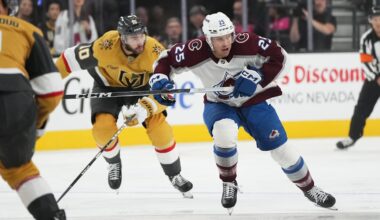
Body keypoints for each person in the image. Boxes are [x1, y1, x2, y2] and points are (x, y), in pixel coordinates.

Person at [149, 12, 336, 213]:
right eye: (219, 38)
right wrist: (159, 80)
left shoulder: (247, 42)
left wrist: (259, 75)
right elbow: (166, 60)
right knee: (224, 133)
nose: (226, 42)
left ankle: (310, 189)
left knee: (283, 151)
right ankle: (229, 183)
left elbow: (282, 58)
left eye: (229, 35)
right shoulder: (195, 50)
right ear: (208, 39)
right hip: (219, 104)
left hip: (254, 101)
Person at [55, 15, 193, 197]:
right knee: (102, 129)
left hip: (143, 89)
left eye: (141, 35)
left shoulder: (154, 51)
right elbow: (68, 58)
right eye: (134, 38)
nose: (140, 41)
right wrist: (48, 85)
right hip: (107, 86)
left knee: (160, 130)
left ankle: (175, 175)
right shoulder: (105, 46)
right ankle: (113, 162)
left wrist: (145, 108)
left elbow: (166, 94)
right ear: (122, 38)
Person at [0, 0, 66, 219]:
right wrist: (34, 124)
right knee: (18, 169)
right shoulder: (27, 30)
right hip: (14, 101)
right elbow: (52, 92)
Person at [336, 6, 380, 149]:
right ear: (370, 21)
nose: (378, 22)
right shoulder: (366, 39)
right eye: (375, 19)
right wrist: (376, 77)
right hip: (374, 80)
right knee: (361, 109)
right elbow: (365, 61)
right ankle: (352, 136)